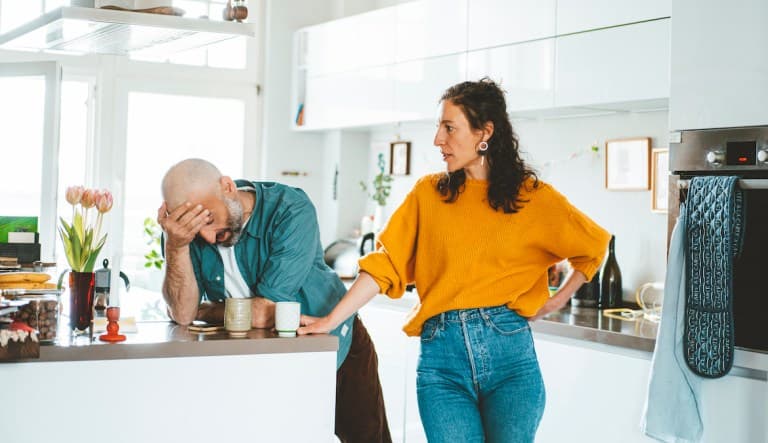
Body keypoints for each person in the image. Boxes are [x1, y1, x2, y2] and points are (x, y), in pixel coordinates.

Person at [298, 78, 611, 443]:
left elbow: (593, 246)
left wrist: (557, 300)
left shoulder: (532, 197)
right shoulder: (428, 195)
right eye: (439, 127)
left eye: (449, 127)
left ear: (485, 132)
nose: (437, 139)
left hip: (511, 360)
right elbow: (386, 264)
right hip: (441, 363)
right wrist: (331, 321)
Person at [158, 158, 391, 443]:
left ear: (228, 187)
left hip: (336, 348)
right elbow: (182, 314)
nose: (207, 238)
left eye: (209, 220)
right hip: (263, 365)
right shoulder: (179, 234)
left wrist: (205, 310)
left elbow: (266, 313)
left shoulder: (290, 209)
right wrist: (177, 246)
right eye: (195, 230)